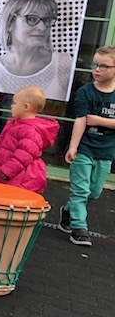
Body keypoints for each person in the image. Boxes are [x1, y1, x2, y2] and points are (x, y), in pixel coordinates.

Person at [58, 45, 115, 247]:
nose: (97, 69)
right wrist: (72, 147)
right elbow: (81, 119)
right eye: (94, 64)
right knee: (80, 191)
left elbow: (94, 120)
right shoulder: (85, 91)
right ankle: (79, 228)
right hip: (84, 148)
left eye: (104, 66)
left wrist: (100, 121)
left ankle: (68, 210)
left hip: (106, 152)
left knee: (94, 192)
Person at [0, 0, 72, 102]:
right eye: (31, 19)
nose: (42, 27)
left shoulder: (65, 63)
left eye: (47, 19)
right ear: (10, 22)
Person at [0, 86, 60, 193]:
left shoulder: (30, 130)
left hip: (16, 179)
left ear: (26, 107)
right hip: (8, 175)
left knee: (7, 201)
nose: (11, 106)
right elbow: (11, 146)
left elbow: (24, 155)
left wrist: (6, 171)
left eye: (14, 103)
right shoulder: (18, 125)